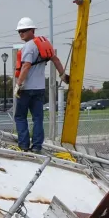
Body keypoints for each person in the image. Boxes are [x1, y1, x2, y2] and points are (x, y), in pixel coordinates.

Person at [12, 16, 67, 152]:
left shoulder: (28, 47)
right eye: (19, 31)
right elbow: (56, 60)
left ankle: (24, 145)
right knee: (37, 119)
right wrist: (63, 75)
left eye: (24, 30)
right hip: (40, 89)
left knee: (20, 117)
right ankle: (37, 146)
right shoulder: (44, 45)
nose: (21, 33)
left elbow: (26, 67)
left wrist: (18, 85)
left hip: (26, 89)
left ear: (32, 31)